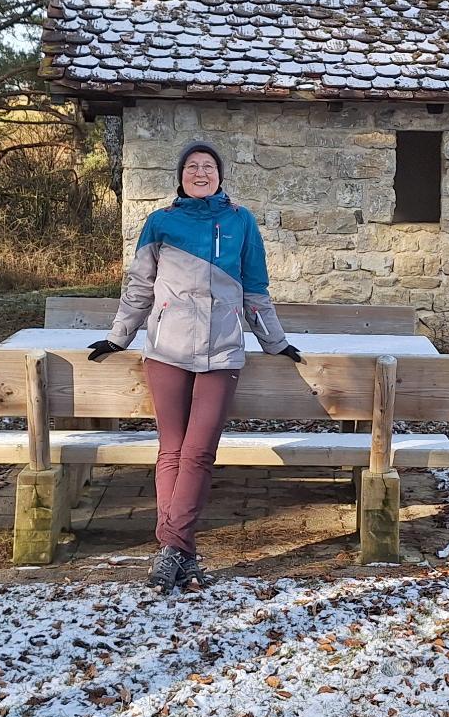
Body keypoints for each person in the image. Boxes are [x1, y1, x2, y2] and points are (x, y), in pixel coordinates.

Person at [88, 140, 301, 592]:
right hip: (167, 350)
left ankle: (172, 548)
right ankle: (179, 553)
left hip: (221, 352)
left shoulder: (241, 221)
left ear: (220, 176)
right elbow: (139, 286)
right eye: (192, 166)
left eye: (208, 166)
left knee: (199, 452)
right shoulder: (160, 222)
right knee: (172, 450)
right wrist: (119, 336)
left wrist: (275, 341)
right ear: (180, 176)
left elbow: (255, 287)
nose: (200, 173)